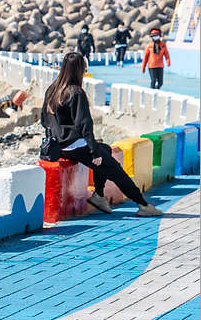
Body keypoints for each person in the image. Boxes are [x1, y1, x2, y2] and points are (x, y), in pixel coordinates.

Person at [42, 52, 162, 217]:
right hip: (74, 146)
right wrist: (94, 151)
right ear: (80, 70)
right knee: (115, 170)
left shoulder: (52, 90)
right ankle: (143, 205)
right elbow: (85, 126)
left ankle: (98, 195)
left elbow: (44, 120)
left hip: (58, 147)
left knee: (105, 148)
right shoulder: (75, 92)